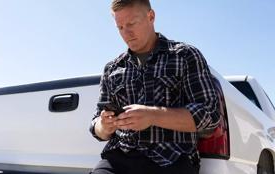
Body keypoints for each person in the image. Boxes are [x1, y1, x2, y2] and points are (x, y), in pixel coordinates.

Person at [89, 0, 221, 173]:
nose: (126, 33)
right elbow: (96, 125)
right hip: (119, 158)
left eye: (131, 23)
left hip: (171, 159)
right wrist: (104, 125)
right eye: (120, 27)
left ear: (151, 16)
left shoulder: (184, 55)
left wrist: (152, 115)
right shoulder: (112, 68)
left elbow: (210, 115)